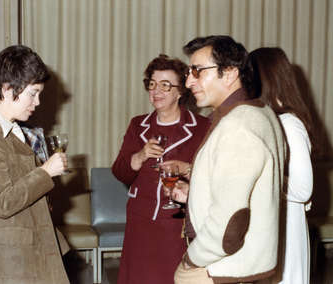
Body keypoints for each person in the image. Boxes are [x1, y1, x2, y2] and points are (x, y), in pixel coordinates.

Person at [171, 36, 286, 284]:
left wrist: (191, 259)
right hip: (239, 266)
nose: (189, 81)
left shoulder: (238, 126)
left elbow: (231, 224)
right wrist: (195, 191)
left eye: (198, 71)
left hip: (225, 270)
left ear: (231, 73)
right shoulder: (257, 112)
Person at [0, 45, 70, 284]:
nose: (38, 101)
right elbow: (4, 202)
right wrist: (45, 172)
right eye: (33, 93)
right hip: (10, 264)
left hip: (26, 254)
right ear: (7, 88)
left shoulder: (12, 131)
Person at [112, 54, 210, 284]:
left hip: (178, 223)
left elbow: (212, 176)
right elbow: (120, 172)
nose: (156, 91)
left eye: (166, 85)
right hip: (141, 221)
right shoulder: (138, 125)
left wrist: (187, 169)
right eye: (152, 84)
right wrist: (140, 155)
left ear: (180, 91)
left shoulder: (202, 128)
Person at [250, 47, 314, 284]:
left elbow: (303, 189)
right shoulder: (270, 120)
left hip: (286, 228)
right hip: (270, 224)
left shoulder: (289, 124)